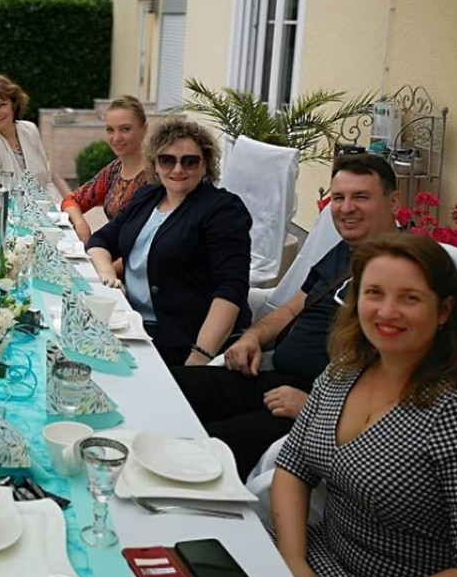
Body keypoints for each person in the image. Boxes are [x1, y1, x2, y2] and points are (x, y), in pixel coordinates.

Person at [273, 233, 457, 577]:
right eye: (374, 293)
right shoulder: (342, 373)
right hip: (314, 567)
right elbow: (292, 466)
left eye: (409, 298)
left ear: (444, 311)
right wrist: (293, 562)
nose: (387, 311)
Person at [172, 153, 401, 479]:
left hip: (312, 407)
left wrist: (319, 408)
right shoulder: (345, 250)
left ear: (393, 203)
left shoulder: (407, 272)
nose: (347, 208)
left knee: (198, 453)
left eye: (361, 197)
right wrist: (252, 337)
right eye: (339, 198)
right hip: (269, 380)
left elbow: (403, 373)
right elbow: (292, 308)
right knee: (166, 390)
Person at [87, 118, 252, 367]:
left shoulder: (223, 210)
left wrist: (199, 357)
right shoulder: (148, 196)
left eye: (189, 161)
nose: (178, 169)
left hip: (180, 339)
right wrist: (108, 274)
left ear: (205, 164)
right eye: (167, 160)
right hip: (130, 322)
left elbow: (231, 289)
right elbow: (101, 240)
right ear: (155, 163)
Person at [61, 95, 149, 244]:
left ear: (144, 129)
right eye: (110, 130)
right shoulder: (114, 170)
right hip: (105, 250)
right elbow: (71, 200)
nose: (116, 138)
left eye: (125, 129)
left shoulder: (156, 175)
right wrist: (81, 225)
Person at [0, 74, 68, 204]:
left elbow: (47, 181)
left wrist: (61, 209)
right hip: (13, 213)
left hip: (48, 208)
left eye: (2, 105)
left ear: (13, 104)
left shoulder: (30, 129)